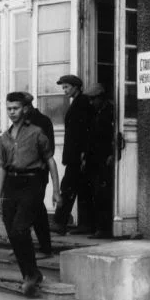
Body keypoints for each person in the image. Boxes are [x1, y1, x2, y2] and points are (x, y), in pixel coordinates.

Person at [0, 92, 62, 297]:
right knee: (12, 232)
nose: (12, 112)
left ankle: (31, 275)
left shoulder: (36, 132)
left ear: (24, 109)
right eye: (9, 109)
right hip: (11, 184)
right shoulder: (5, 137)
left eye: (15, 108)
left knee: (20, 229)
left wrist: (56, 190)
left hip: (32, 183)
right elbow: (2, 167)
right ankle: (30, 275)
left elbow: (50, 160)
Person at [52, 74, 92, 235]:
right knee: (78, 188)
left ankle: (60, 223)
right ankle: (82, 224)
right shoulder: (77, 102)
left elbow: (84, 131)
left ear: (76, 87)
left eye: (67, 87)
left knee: (68, 188)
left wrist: (83, 154)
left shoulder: (82, 103)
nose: (65, 90)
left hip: (77, 156)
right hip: (74, 155)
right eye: (63, 87)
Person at [19, 92, 53, 258]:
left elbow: (48, 149)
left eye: (20, 107)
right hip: (21, 174)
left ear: (27, 107)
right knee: (24, 210)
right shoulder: (20, 122)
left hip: (37, 173)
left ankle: (46, 249)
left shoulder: (42, 121)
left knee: (37, 209)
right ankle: (23, 246)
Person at [84, 83, 115, 239]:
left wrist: (112, 154)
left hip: (105, 159)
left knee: (103, 193)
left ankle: (104, 228)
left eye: (93, 99)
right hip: (94, 159)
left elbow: (112, 135)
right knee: (96, 193)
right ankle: (97, 226)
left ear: (101, 97)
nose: (91, 102)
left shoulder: (110, 112)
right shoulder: (97, 112)